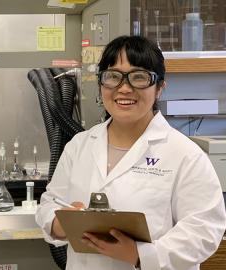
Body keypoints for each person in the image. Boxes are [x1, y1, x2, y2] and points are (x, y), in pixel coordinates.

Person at [35, 35, 226, 270]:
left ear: (159, 88)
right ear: (100, 84)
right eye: (113, 77)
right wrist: (59, 223)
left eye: (139, 77)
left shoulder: (184, 154)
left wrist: (140, 255)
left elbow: (204, 231)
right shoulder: (80, 145)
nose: (124, 88)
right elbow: (50, 202)